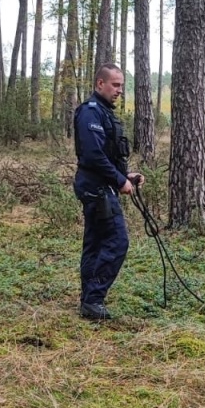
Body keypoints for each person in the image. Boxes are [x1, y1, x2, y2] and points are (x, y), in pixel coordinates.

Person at [73, 63, 145, 320]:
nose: (119, 90)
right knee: (117, 241)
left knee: (95, 243)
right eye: (115, 85)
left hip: (101, 185)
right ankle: (93, 300)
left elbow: (105, 154)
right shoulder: (90, 113)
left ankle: (88, 301)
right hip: (96, 189)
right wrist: (118, 180)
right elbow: (92, 156)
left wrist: (126, 176)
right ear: (99, 84)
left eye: (121, 86)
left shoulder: (103, 113)